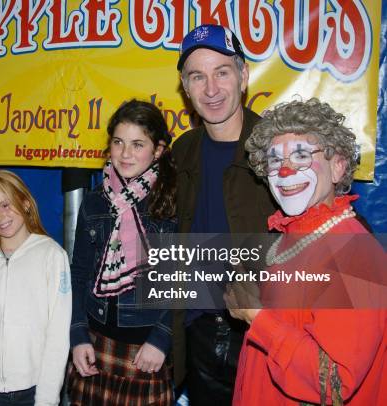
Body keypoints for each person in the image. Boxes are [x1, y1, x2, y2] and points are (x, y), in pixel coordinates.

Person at [225, 98, 387, 405]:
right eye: (274, 160)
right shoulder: (288, 239)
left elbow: (335, 383)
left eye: (301, 156)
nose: (285, 171)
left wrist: (256, 316)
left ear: (338, 167)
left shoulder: (355, 255)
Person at [170, 24, 279, 404]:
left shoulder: (277, 149)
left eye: (222, 72)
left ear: (244, 75)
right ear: (185, 87)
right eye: (197, 76)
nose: (211, 89)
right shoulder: (180, 152)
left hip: (264, 336)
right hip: (198, 333)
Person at [67, 100, 178, 405]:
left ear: (158, 150)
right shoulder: (94, 202)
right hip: (95, 343)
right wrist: (77, 335)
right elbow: (78, 275)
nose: (125, 154)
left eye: (137, 144)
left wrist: (162, 338)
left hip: (147, 350)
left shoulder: (173, 202)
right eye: (118, 142)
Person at [0, 170, 72, 406]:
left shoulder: (52, 255)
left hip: (32, 390)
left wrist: (46, 400)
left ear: (25, 202)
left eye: (5, 205)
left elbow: (58, 336)